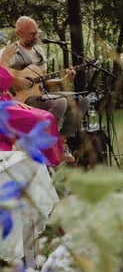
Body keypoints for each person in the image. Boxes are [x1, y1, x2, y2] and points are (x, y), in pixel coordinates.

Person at [5, 17, 89, 163]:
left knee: (82, 100)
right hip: (21, 99)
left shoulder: (39, 52)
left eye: (37, 33)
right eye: (31, 34)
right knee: (60, 102)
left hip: (41, 94)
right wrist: (18, 81)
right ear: (19, 34)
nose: (36, 37)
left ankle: (62, 141)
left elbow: (44, 81)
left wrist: (63, 80)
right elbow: (2, 73)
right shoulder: (11, 52)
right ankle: (44, 145)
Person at [0, 45, 64, 166]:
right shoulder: (11, 56)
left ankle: (51, 162)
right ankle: (45, 164)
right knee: (42, 120)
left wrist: (13, 102)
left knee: (47, 116)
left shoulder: (38, 52)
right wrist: (4, 62)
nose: (35, 37)